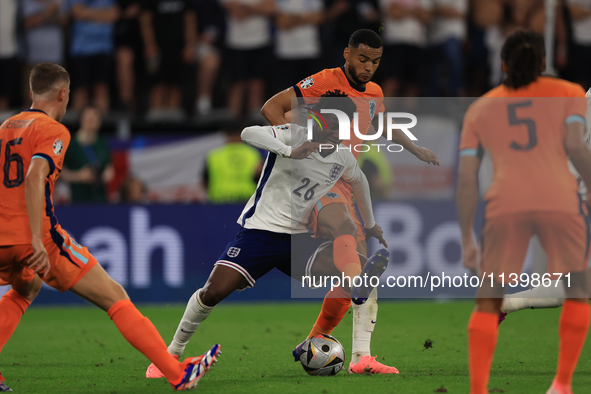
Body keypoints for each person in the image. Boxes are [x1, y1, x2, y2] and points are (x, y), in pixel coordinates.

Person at [0, 63, 220, 391]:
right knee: (115, 296)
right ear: (63, 94)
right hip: (37, 238)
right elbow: (34, 175)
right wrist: (34, 239)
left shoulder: (6, 126)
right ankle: (177, 374)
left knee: (26, 286)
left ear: (32, 92)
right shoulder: (53, 129)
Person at [145, 90, 390, 379]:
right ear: (318, 119)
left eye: (343, 125)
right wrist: (287, 151)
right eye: (333, 124)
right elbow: (249, 132)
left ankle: (361, 356)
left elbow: (360, 182)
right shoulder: (294, 135)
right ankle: (169, 355)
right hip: (259, 233)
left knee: (359, 274)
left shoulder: (343, 157)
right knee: (213, 292)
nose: (338, 132)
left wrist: (371, 224)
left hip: (298, 241)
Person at [261, 28, 439, 374]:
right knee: (356, 263)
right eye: (362, 59)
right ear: (347, 54)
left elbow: (381, 121)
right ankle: (360, 358)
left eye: (375, 61)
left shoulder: (374, 92)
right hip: (320, 180)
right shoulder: (323, 82)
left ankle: (339, 351)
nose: (369, 67)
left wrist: (414, 148)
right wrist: (294, 148)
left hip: (345, 181)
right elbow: (272, 107)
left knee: (358, 271)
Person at [457, 30, 591, 394]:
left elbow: (467, 178)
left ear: (503, 65)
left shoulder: (482, 106)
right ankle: (562, 384)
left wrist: (468, 236)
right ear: (544, 63)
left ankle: (478, 390)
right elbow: (578, 149)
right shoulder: (571, 94)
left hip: (508, 201)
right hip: (561, 197)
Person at [66, 0, 120, 113]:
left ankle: (103, 127)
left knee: (101, 88)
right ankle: (77, 129)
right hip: (80, 50)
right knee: (80, 89)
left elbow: (114, 14)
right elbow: (76, 13)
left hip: (103, 49)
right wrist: (101, 15)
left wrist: (85, 13)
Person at [61, 106, 115, 203]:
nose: (91, 120)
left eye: (95, 118)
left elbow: (109, 168)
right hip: (78, 200)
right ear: (81, 119)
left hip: (100, 198)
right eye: (88, 118)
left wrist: (103, 176)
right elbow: (60, 171)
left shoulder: (102, 143)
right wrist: (79, 176)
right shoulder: (70, 143)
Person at [203, 121, 263, 204]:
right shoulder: (253, 154)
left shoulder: (214, 156)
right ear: (241, 134)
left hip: (219, 201)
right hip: (246, 200)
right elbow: (261, 177)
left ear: (225, 134)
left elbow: (205, 181)